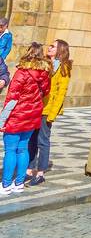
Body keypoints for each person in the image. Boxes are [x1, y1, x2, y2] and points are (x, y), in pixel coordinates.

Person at [1, 43, 51, 195]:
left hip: (17, 115)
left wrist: (3, 117)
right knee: (22, 149)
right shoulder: (44, 73)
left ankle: (6, 184)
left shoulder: (22, 73)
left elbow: (12, 96)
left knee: (10, 150)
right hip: (32, 115)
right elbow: (45, 92)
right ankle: (19, 183)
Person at [26, 39, 71, 185]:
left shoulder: (64, 68)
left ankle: (40, 173)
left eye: (53, 46)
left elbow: (60, 93)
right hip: (36, 106)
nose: (49, 47)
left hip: (47, 109)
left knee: (42, 141)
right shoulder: (43, 63)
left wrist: (52, 114)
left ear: (60, 50)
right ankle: (29, 168)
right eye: (50, 45)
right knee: (31, 138)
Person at [0, 17, 12, 92]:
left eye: (1, 26)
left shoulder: (8, 35)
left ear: (6, 26)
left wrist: (2, 57)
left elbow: (8, 48)